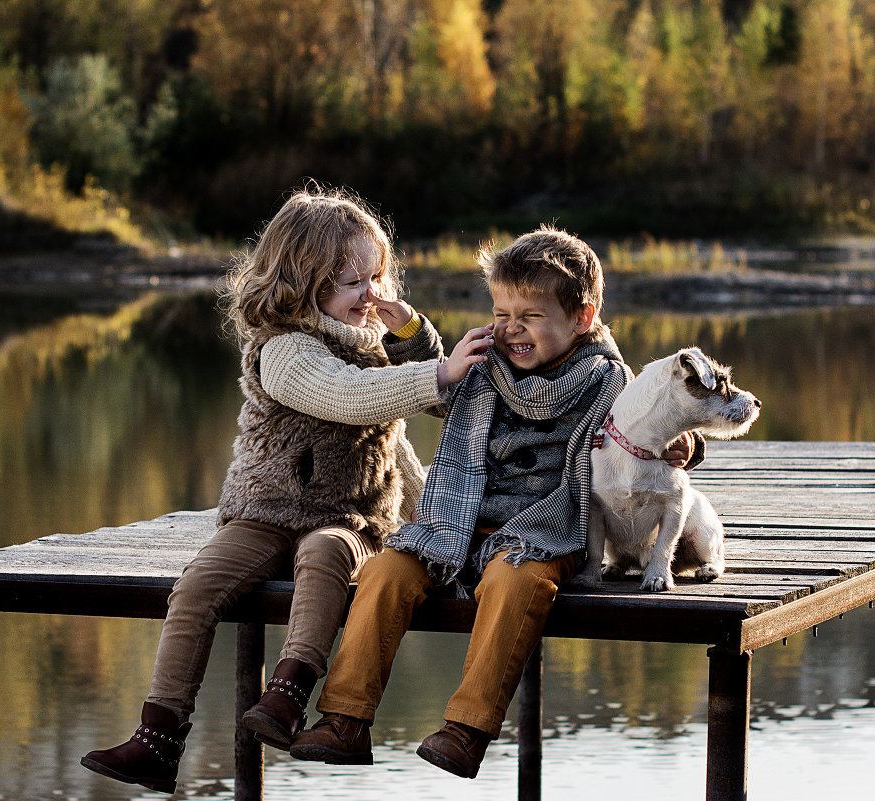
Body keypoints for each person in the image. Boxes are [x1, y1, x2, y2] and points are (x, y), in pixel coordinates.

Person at [79, 186, 492, 794]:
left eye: (377, 277)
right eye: (354, 282)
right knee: (196, 588)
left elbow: (437, 403)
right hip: (263, 511)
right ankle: (158, 736)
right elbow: (349, 396)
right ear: (305, 284)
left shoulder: (374, 342)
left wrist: (413, 333)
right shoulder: (285, 351)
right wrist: (434, 372)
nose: (372, 294)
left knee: (323, 556)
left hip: (350, 515)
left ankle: (289, 693)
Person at [289, 224, 701, 779]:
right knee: (387, 570)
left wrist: (686, 444)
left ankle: (467, 727)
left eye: (530, 317)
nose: (511, 330)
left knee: (515, 582)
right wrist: (409, 329)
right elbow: (440, 384)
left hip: (544, 529)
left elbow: (652, 419)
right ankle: (344, 719)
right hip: (459, 521)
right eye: (502, 314)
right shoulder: (487, 364)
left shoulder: (610, 383)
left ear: (583, 317)